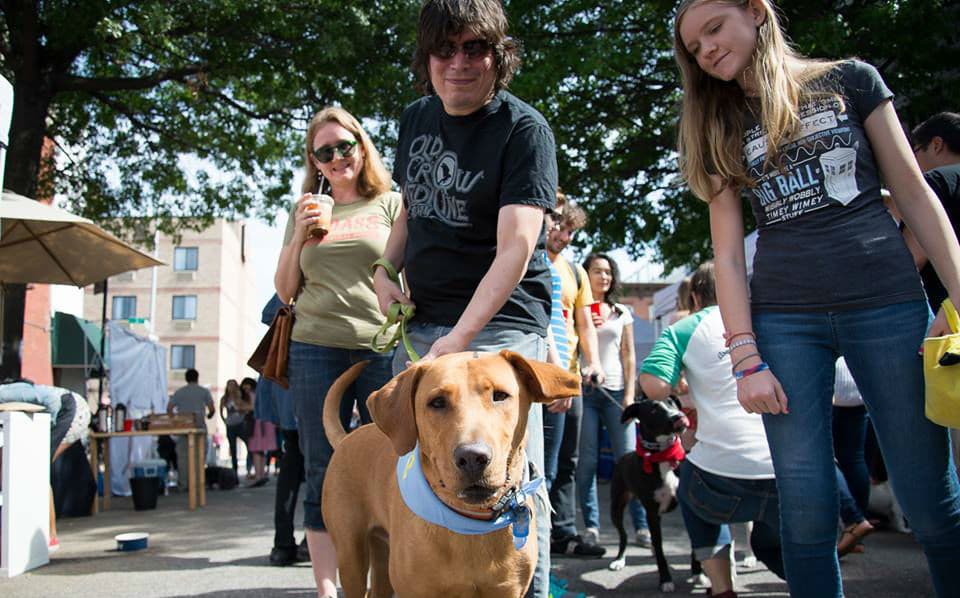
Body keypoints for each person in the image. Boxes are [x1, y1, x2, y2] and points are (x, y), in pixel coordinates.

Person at [674, 1, 960, 596]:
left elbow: (912, 193)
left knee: (928, 494)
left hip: (887, 302)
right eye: (694, 48)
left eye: (714, 29)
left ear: (754, 12)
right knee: (805, 509)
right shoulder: (719, 122)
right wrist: (744, 357)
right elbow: (727, 257)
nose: (706, 51)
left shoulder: (851, 80)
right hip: (784, 322)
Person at [372, 1, 557, 594]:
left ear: (498, 57)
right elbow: (412, 205)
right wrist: (384, 268)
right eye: (444, 49)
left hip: (501, 328)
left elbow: (516, 249)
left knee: (516, 485)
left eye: (474, 48)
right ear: (426, 57)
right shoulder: (416, 118)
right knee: (423, 478)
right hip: (426, 322)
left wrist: (459, 339)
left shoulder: (524, 130)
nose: (458, 63)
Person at [274, 105, 399, 598]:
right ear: (314, 160)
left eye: (344, 145)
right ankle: (329, 589)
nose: (336, 157)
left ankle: (384, 583)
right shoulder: (304, 208)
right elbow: (285, 290)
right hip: (314, 348)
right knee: (321, 466)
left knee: (389, 463)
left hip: (381, 347)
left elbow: (406, 272)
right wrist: (298, 237)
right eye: (323, 151)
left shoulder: (390, 203)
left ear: (361, 145)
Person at [639, 261, 784, 598]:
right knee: (786, 542)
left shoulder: (684, 329)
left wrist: (683, 379)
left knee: (689, 486)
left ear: (696, 296)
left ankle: (721, 588)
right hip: (792, 467)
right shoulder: (774, 318)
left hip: (723, 478)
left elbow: (654, 386)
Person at [542, 196, 607, 558]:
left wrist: (593, 362)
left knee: (569, 461)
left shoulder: (575, 271)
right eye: (560, 226)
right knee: (545, 464)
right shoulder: (528, 259)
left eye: (571, 230)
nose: (565, 236)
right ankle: (537, 535)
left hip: (571, 378)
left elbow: (584, 323)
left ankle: (563, 533)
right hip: (540, 377)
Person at [575, 252, 649, 551]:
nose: (603, 277)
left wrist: (631, 395)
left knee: (630, 461)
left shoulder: (621, 311)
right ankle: (591, 527)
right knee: (588, 463)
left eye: (608, 272)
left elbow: (629, 355)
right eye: (597, 271)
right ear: (586, 274)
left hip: (618, 393)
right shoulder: (579, 309)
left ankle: (642, 526)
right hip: (585, 393)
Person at [256, 295, 310, 567]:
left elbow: (268, 315)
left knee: (294, 469)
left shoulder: (291, 285)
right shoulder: (298, 282)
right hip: (299, 390)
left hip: (289, 392)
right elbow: (269, 314)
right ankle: (301, 542)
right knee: (318, 469)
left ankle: (288, 543)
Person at [904, 111, 960, 312]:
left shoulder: (936, 182)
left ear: (936, 145)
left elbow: (912, 259)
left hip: (948, 316)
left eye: (915, 151)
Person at [832, 357, 874, 556]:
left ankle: (853, 520)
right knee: (855, 459)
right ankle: (857, 537)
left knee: (823, 457)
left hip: (831, 382)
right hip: (857, 382)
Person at [167, 368, 215, 492]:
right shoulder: (204, 391)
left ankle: (183, 484)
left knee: (183, 456)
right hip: (199, 426)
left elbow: (169, 408)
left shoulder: (179, 392)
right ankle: (198, 483)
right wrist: (208, 416)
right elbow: (212, 409)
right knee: (199, 455)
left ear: (186, 378)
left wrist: (176, 420)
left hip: (183, 426)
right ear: (197, 378)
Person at [242, 377, 275, 487]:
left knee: (256, 450)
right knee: (262, 450)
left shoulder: (252, 394)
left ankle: (258, 475)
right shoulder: (264, 391)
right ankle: (261, 474)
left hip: (257, 423)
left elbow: (252, 407)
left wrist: (241, 407)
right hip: (266, 422)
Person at [219, 379, 252, 476]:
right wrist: (224, 420)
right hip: (230, 425)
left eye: (233, 385)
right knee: (233, 449)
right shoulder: (225, 399)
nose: (231, 387)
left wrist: (238, 400)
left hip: (241, 424)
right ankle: (234, 471)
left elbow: (246, 407)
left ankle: (249, 468)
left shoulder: (240, 396)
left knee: (248, 444)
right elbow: (221, 410)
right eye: (230, 385)